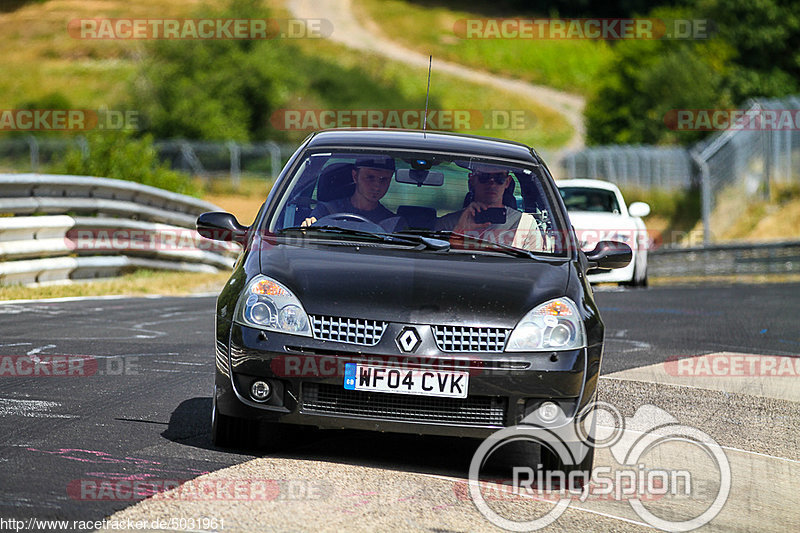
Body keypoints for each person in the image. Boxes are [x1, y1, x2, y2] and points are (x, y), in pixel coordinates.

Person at [301, 156, 404, 230]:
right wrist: (309, 226)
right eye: (370, 177)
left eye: (384, 179)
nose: (377, 185)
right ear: (355, 176)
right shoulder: (325, 211)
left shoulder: (393, 224)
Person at [436, 162, 522, 240]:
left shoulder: (522, 224)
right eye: (484, 177)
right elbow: (434, 253)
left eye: (499, 178)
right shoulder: (446, 224)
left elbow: (532, 254)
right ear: (472, 180)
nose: (491, 183)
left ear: (507, 182)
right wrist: (459, 231)